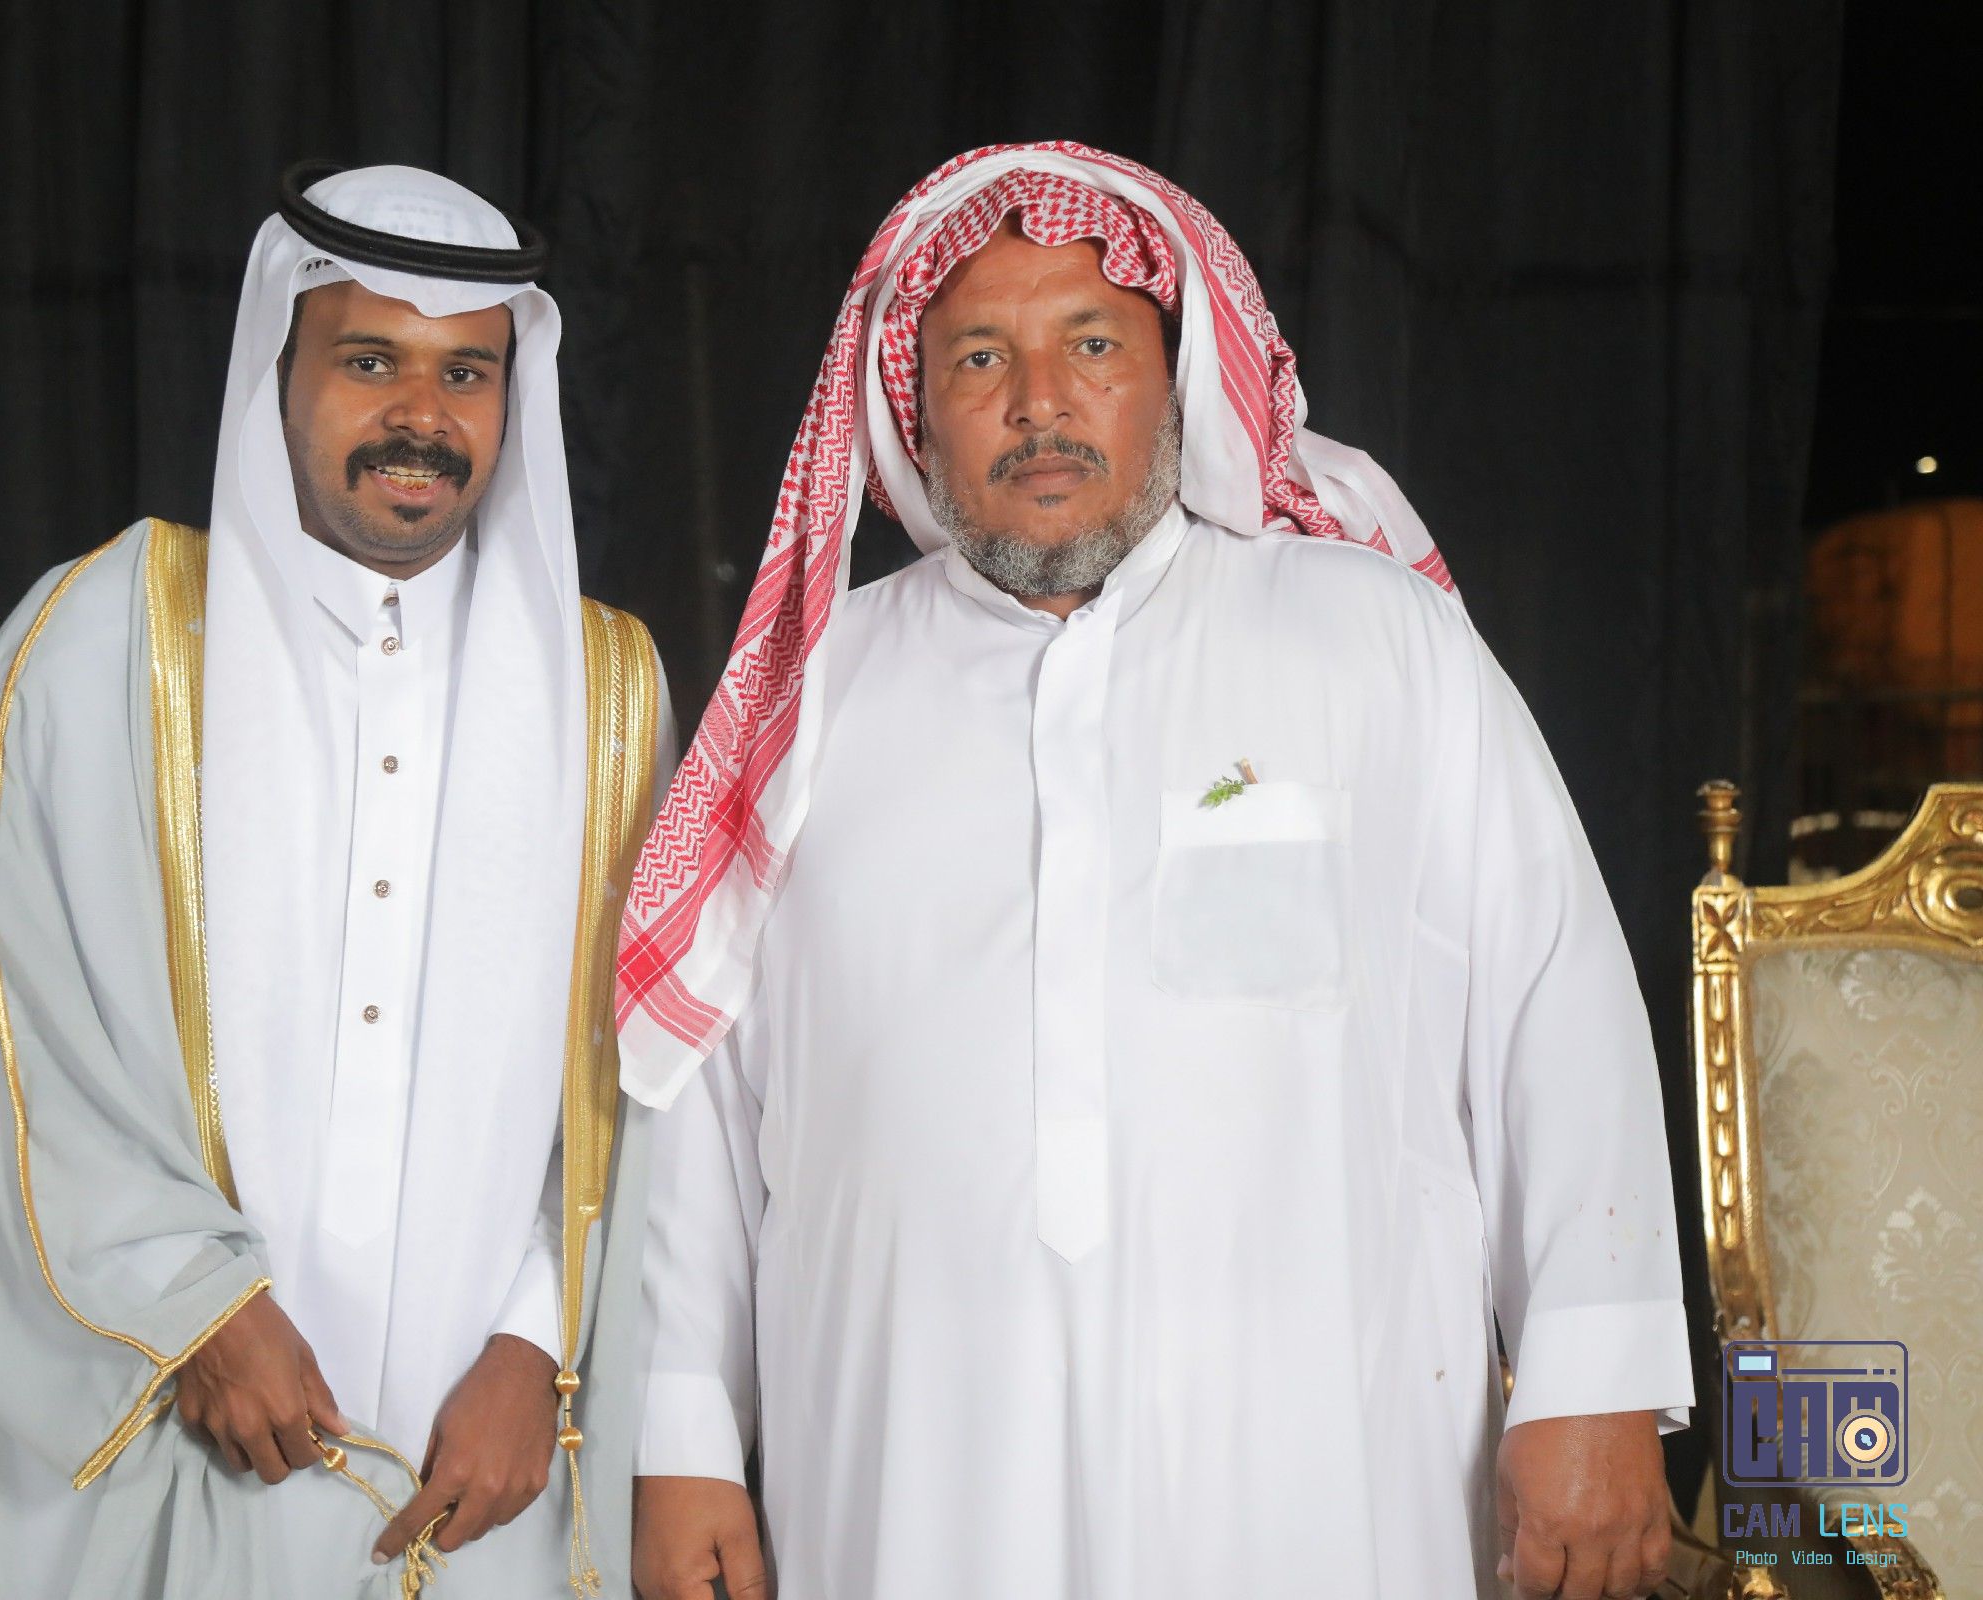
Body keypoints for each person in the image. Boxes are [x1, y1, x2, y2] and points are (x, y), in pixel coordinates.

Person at [621, 142, 1692, 1600]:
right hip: (916, 1473)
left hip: (1322, 1461)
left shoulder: (1375, 638)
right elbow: (694, 1101)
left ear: (1176, 381)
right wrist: (681, 1437)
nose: (1039, 402)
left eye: (1094, 344)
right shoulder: (810, 695)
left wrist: (1593, 1379)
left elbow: (1553, 1005)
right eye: (979, 357)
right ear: (911, 410)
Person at [0, 163, 670, 1599]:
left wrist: (537, 1347)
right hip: (179, 1417)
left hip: (482, 1457)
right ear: (279, 370)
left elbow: (639, 1078)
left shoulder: (606, 693)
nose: (421, 415)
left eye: (465, 372)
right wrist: (196, 1312)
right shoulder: (104, 636)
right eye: (370, 361)